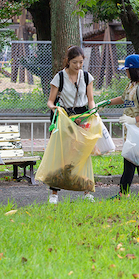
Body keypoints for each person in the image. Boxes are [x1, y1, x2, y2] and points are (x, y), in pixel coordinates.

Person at [100, 54, 139, 197]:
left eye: (126, 70)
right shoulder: (132, 84)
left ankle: (123, 192)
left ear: (133, 70)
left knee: (130, 159)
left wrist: (134, 120)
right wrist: (107, 102)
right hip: (131, 131)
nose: (125, 72)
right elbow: (123, 98)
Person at [46, 45, 96, 204]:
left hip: (83, 115)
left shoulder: (87, 77)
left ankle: (86, 191)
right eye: (75, 62)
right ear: (68, 61)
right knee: (60, 155)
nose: (78, 66)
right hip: (64, 116)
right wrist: (56, 110)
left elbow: (90, 99)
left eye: (81, 62)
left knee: (83, 153)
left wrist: (92, 113)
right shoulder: (59, 77)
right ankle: (54, 193)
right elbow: (50, 101)